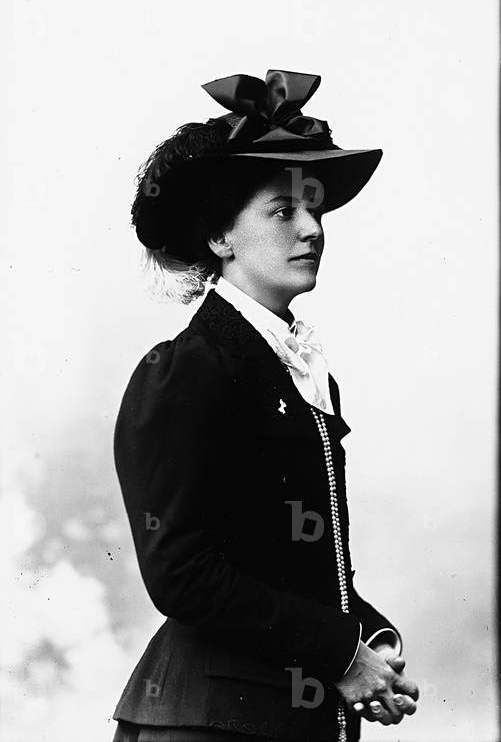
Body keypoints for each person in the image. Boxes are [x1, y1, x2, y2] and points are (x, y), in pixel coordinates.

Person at [111, 69, 418, 742]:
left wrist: (371, 644)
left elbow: (289, 562)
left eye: (315, 208)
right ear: (221, 240)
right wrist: (341, 653)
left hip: (284, 718)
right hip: (210, 724)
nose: (312, 228)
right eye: (283, 212)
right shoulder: (187, 371)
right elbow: (184, 575)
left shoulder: (299, 371)